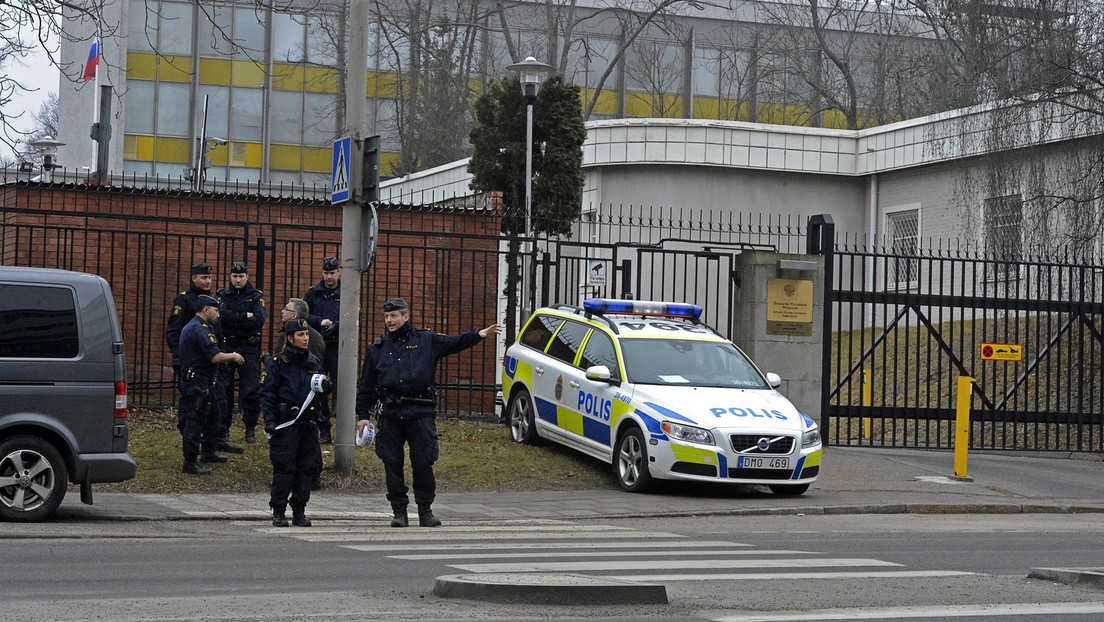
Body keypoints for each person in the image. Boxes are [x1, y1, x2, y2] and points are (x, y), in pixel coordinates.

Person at [355, 297, 502, 528]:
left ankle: (425, 510)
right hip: (391, 412)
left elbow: (454, 342)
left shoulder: (426, 340)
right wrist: (363, 414)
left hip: (420, 409)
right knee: (391, 462)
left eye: (394, 316)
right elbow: (365, 386)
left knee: (423, 461)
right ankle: (399, 511)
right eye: (386, 317)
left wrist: (479, 334)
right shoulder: (377, 349)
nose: (389, 320)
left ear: (406, 317)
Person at [260, 319, 329, 527]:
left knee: (306, 468)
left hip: (307, 423)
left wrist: (327, 387)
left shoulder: (313, 361)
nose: (305, 338)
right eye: (300, 335)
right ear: (290, 338)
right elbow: (268, 393)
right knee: (284, 467)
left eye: (306, 334)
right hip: (286, 424)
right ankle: (279, 511)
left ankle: (299, 510)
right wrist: (270, 419)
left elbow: (318, 392)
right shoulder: (278, 363)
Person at [177, 295, 245, 475]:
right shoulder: (199, 329)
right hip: (196, 381)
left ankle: (208, 451)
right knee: (195, 420)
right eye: (216, 310)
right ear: (206, 310)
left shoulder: (201, 326)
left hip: (205, 379)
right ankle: (190, 462)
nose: (218, 315)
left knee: (215, 415)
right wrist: (233, 355)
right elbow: (215, 356)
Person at [218, 261, 267, 443]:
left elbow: (259, 320)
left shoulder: (255, 297)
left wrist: (234, 318)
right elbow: (222, 316)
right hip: (228, 346)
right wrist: (245, 316)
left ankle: (250, 429)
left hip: (249, 348)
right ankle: (224, 429)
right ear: (230, 277)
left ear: (247, 277)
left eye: (241, 276)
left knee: (251, 390)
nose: (238, 280)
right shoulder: (223, 295)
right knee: (225, 389)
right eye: (235, 276)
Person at [303, 257, 341, 444]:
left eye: (332, 273)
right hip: (318, 347)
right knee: (318, 387)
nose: (329, 277)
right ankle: (323, 428)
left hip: (338, 347)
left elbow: (355, 317)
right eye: (326, 273)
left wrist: (337, 325)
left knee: (341, 388)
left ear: (339, 272)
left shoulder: (347, 292)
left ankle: (343, 430)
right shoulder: (313, 293)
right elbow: (303, 314)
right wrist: (320, 322)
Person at [165, 262, 215, 376]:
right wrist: (177, 354)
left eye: (209, 278)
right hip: (191, 354)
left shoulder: (213, 299)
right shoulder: (184, 299)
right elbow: (173, 330)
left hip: (209, 353)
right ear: (194, 278)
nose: (208, 281)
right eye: (204, 278)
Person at [276, 298, 326, 362]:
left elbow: (278, 362)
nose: (282, 311)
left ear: (294, 315)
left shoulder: (287, 333)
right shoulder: (317, 336)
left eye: (286, 309)